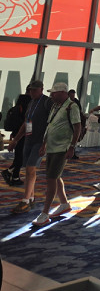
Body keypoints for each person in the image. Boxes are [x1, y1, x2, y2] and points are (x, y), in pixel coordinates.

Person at [33, 83, 81, 227]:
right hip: (52, 147)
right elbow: (50, 126)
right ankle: (64, 203)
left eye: (54, 93)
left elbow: (77, 127)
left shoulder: (72, 107)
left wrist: (72, 147)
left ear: (62, 92)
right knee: (55, 176)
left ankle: (45, 212)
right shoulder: (55, 106)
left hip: (62, 148)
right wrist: (44, 144)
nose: (51, 95)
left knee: (51, 178)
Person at [7, 79, 52, 215]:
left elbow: (52, 124)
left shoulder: (47, 102)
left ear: (41, 89)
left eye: (34, 90)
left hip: (39, 141)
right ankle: (31, 198)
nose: (31, 92)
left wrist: (45, 143)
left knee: (31, 168)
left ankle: (25, 200)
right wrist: (16, 140)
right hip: (29, 140)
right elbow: (27, 123)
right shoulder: (31, 103)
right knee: (28, 169)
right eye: (30, 90)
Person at [2, 89, 30, 186]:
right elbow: (27, 121)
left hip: (16, 132)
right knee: (21, 157)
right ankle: (10, 172)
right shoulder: (29, 103)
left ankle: (15, 177)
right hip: (23, 134)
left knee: (19, 155)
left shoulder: (20, 102)